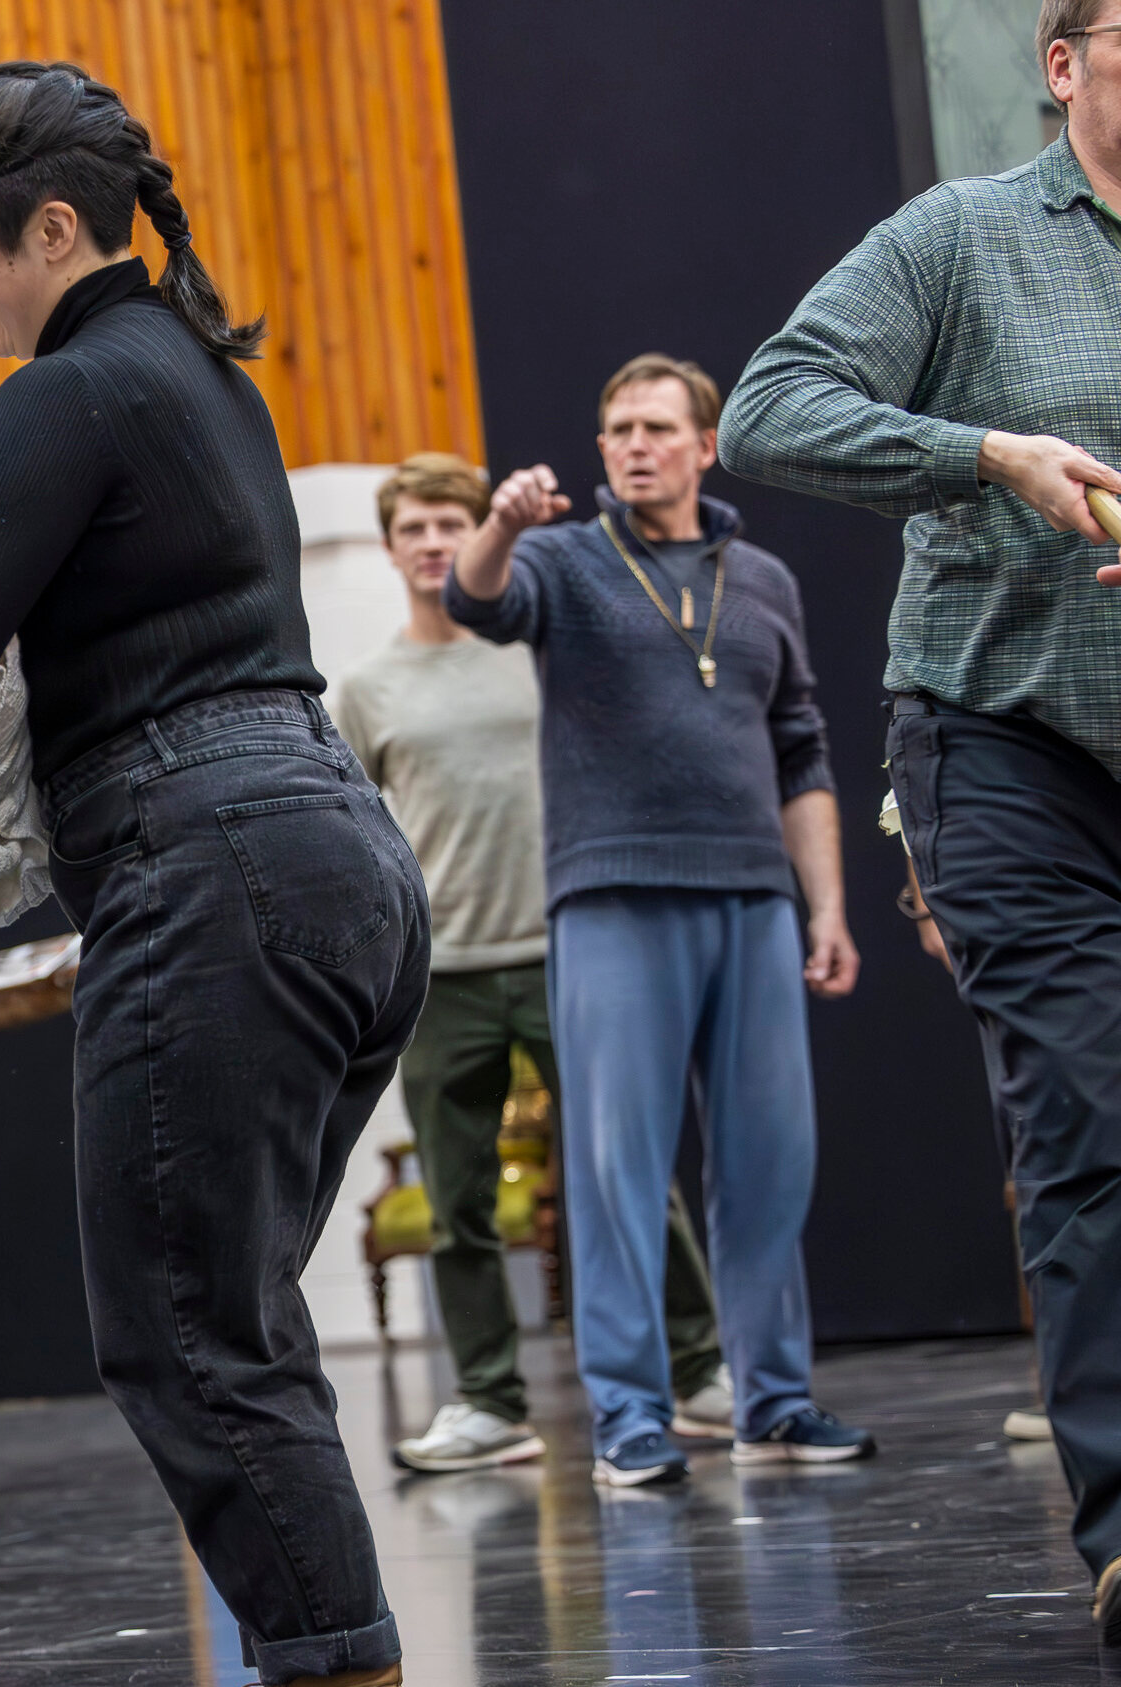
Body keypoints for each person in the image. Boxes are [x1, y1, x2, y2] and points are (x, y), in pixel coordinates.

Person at [0, 64, 427, 1687]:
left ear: (48, 230)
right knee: (233, 1322)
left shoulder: (66, 393)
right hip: (335, 859)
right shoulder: (205, 376)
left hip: (215, 863)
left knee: (188, 1337)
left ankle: (337, 1664)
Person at [720, 0, 1121, 1629]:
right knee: (1095, 1116)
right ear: (1066, 63)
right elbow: (770, 410)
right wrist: (980, 453)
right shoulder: (961, 239)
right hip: (1002, 743)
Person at [446, 353, 870, 1490]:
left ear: (705, 444)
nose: (633, 444)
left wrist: (824, 903)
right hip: (616, 897)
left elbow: (803, 750)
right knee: (618, 1166)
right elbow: (474, 601)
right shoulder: (563, 557)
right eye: (616, 428)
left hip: (754, 898)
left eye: (655, 427)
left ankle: (773, 1400)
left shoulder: (764, 579)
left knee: (771, 1162)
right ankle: (630, 1415)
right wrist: (497, 523)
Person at [331, 455, 733, 1476]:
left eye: (446, 525)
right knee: (458, 1199)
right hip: (442, 974)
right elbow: (349, 832)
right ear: (388, 547)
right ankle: (488, 1402)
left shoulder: (538, 650)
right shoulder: (369, 690)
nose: (430, 544)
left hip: (572, 951)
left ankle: (696, 1371)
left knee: (629, 1172)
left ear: (476, 536)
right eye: (412, 527)